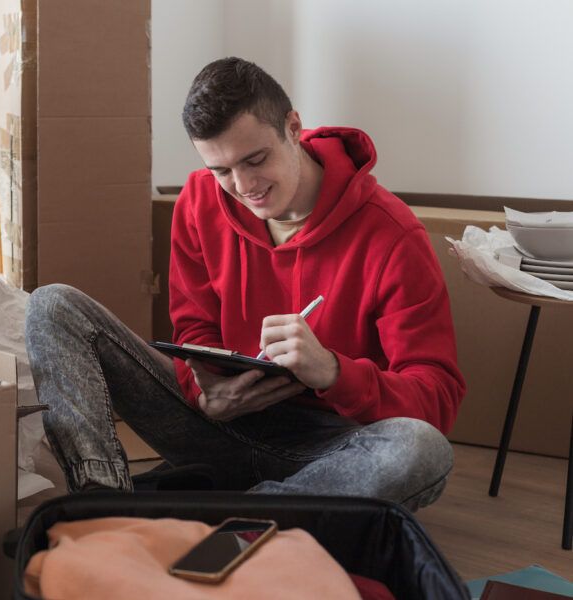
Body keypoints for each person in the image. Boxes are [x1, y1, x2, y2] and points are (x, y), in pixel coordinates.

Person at [25, 57, 465, 510]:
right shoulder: (198, 201)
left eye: (256, 159)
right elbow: (194, 331)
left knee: (420, 449)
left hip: (330, 449)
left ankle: (237, 521)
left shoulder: (392, 234)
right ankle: (102, 505)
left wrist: (333, 371)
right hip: (219, 427)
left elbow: (438, 399)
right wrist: (205, 395)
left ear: (293, 127)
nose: (244, 185)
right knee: (53, 305)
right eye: (222, 170)